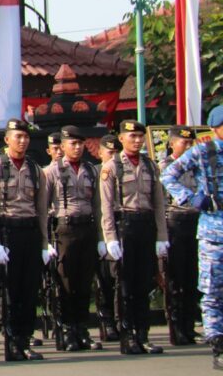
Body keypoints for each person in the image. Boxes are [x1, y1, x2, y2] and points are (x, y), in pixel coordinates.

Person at [0, 119, 49, 361]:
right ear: (7, 139)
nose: (22, 141)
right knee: (9, 291)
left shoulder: (35, 169)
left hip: (29, 232)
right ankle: (11, 342)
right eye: (17, 136)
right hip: (7, 232)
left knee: (29, 290)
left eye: (25, 137)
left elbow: (41, 209)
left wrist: (44, 244)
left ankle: (25, 339)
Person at [162, 105, 223, 369]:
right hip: (213, 232)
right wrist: (190, 197)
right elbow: (168, 175)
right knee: (212, 292)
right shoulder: (203, 152)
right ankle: (218, 344)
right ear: (216, 128)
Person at [99, 120, 168, 355]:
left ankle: (143, 334)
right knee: (126, 285)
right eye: (132, 137)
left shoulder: (150, 165)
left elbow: (159, 203)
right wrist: (110, 237)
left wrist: (161, 236)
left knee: (144, 283)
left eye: (140, 136)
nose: (137, 141)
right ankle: (127, 335)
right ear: (121, 139)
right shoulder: (112, 166)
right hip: (124, 227)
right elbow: (106, 206)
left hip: (146, 226)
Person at [43, 126, 99, 351]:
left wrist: (103, 237)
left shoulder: (90, 170)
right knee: (66, 282)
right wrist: (45, 241)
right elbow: (43, 207)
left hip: (87, 227)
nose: (77, 148)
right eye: (72, 144)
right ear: (63, 146)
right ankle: (67, 329)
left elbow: (97, 205)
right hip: (64, 230)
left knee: (85, 281)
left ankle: (81, 328)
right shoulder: (52, 171)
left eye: (80, 143)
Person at [159, 126, 202, 345]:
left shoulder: (197, 166)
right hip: (174, 222)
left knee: (192, 277)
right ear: (172, 143)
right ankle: (176, 328)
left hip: (196, 222)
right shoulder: (165, 167)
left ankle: (189, 325)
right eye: (184, 142)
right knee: (175, 279)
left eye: (190, 143)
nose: (188, 146)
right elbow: (159, 202)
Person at [93, 133, 120, 343]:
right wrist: (101, 237)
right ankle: (107, 322)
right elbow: (95, 207)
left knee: (122, 279)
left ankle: (121, 321)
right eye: (109, 152)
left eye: (116, 152)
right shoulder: (93, 172)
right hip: (100, 231)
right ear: (100, 152)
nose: (113, 156)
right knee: (104, 281)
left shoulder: (122, 170)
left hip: (121, 228)